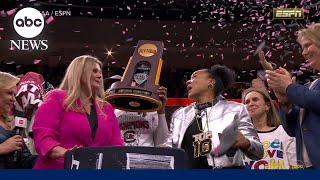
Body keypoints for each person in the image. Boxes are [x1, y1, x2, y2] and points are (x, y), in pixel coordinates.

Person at [33, 55, 124, 169]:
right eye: (94, 71)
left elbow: (117, 145)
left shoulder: (106, 108)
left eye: (100, 72)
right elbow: (43, 137)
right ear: (79, 73)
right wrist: (67, 154)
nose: (100, 75)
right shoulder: (56, 98)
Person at [165, 65, 263, 169]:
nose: (188, 81)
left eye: (194, 77)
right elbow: (169, 149)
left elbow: (259, 151)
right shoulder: (180, 115)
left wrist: (246, 143)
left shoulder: (236, 110)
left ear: (211, 82)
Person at [266, 23, 320, 168]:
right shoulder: (312, 85)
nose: (303, 52)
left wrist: (289, 87)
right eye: (302, 48)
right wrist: (285, 102)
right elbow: (292, 130)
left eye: (308, 45)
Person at [105, 75, 169, 147]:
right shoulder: (112, 112)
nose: (113, 90)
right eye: (110, 87)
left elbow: (162, 142)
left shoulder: (150, 110)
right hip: (122, 156)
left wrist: (161, 112)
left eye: (117, 85)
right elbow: (105, 141)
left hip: (145, 156)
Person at [242, 88, 297, 169]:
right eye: (247, 102)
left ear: (267, 106)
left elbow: (295, 166)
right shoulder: (240, 136)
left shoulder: (285, 131)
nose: (251, 104)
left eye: (255, 100)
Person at [0, 71, 36, 168]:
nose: (13, 99)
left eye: (14, 94)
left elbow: (25, 158)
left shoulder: (10, 123)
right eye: (9, 93)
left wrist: (49, 157)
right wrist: (2, 148)